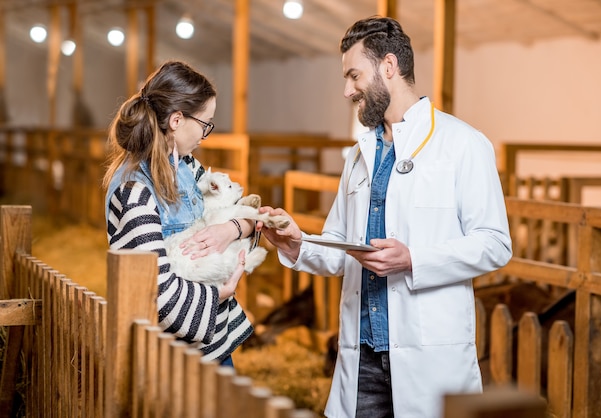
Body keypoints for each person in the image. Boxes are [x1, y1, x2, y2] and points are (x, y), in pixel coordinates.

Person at [260, 16, 512, 418]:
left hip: (429, 360)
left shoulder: (463, 144)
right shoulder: (359, 155)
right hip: (361, 362)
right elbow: (343, 247)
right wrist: (297, 243)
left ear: (389, 67)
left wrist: (413, 259)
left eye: (354, 75)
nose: (347, 90)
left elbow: (495, 244)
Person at [103, 60, 256, 365]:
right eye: (205, 123)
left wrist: (234, 229)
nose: (205, 134)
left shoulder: (187, 167)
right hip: (174, 358)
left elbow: (248, 215)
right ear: (176, 120)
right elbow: (156, 293)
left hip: (213, 344)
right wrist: (221, 293)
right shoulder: (134, 189)